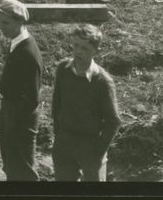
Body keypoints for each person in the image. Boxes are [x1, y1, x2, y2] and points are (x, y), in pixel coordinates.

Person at [51, 24, 121, 182]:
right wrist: (59, 133)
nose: (78, 52)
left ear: (95, 51)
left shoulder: (103, 81)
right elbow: (57, 103)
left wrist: (98, 152)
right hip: (64, 142)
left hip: (90, 145)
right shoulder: (63, 69)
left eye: (85, 48)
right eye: (76, 45)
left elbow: (113, 121)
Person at [0, 0, 42, 182]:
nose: (1, 27)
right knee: (10, 163)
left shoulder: (28, 53)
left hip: (21, 118)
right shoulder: (16, 42)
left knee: (23, 169)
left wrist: (15, 123)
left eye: (5, 23)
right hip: (10, 110)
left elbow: (31, 98)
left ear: (19, 22)